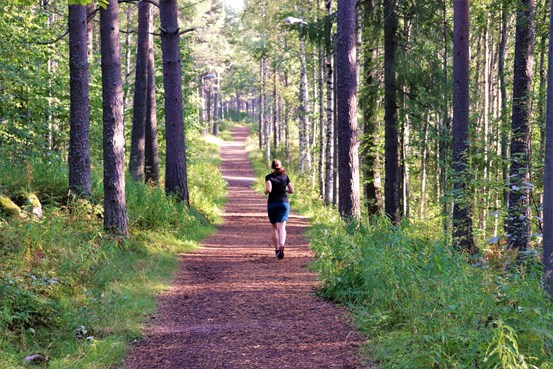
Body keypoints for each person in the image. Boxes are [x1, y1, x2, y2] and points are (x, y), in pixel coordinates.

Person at [265, 159, 294, 259]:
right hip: (284, 203)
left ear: (272, 167)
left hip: (272, 203)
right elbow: (291, 190)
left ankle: (277, 250)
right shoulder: (285, 177)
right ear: (280, 166)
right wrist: (283, 189)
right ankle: (282, 244)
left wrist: (265, 192)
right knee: (282, 226)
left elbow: (269, 189)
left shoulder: (269, 177)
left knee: (274, 227)